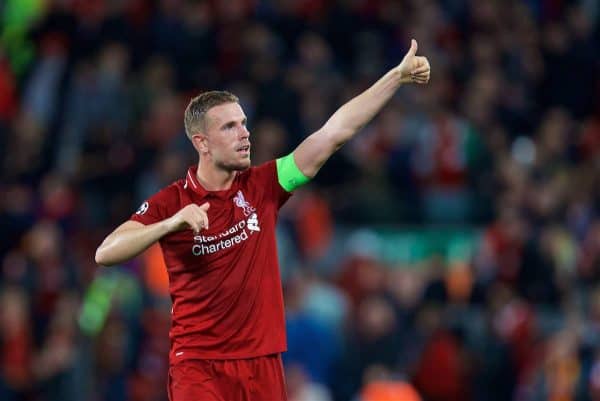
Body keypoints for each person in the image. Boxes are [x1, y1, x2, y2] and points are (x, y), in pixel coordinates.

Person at [95, 39, 430, 401]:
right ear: (202, 142)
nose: (244, 133)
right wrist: (168, 225)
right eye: (229, 127)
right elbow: (106, 252)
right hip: (199, 367)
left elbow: (333, 134)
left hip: (262, 366)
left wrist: (395, 78)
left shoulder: (264, 186)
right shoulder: (172, 201)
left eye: (243, 123)